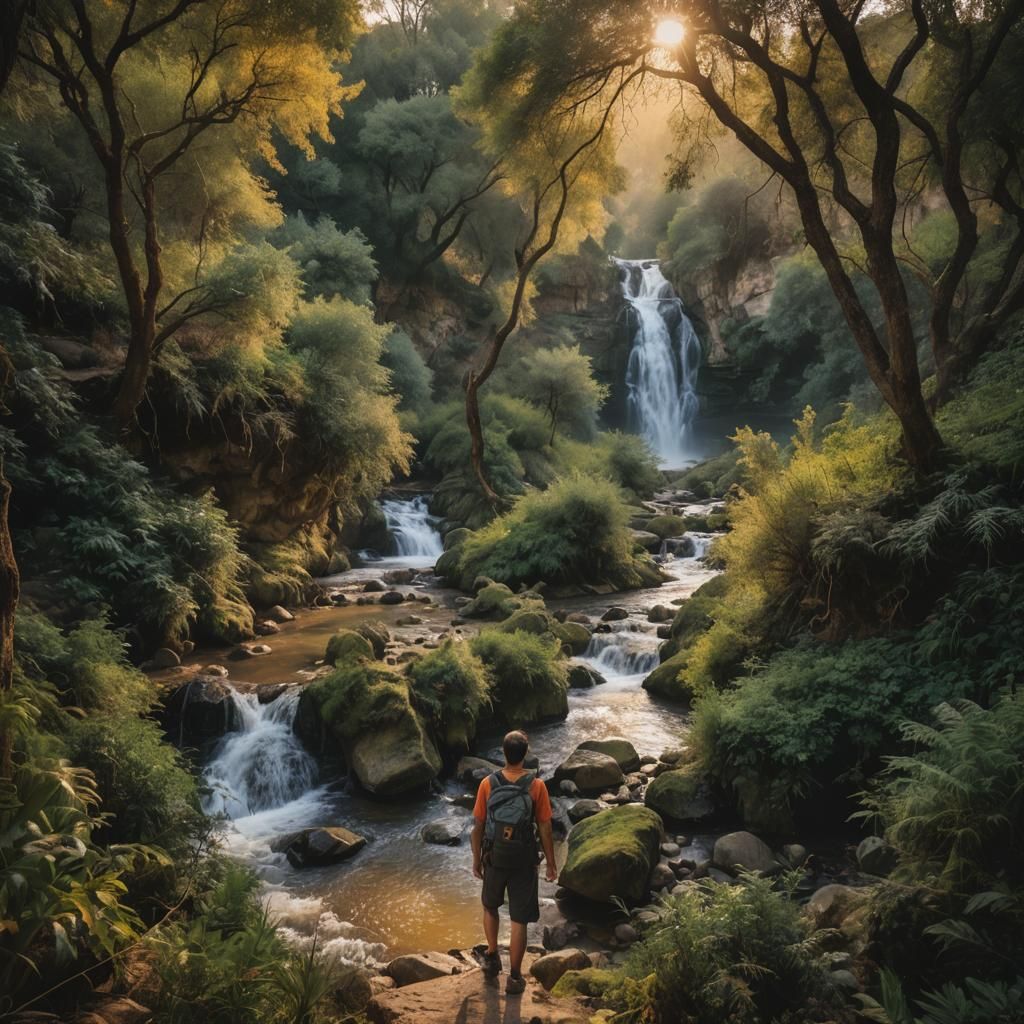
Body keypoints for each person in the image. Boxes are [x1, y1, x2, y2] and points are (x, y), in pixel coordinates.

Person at [471, 729, 557, 995]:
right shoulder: (536, 786)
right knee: (519, 919)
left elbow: (478, 826)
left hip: (494, 856)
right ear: (526, 753)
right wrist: (551, 864)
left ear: (504, 753)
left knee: (490, 906)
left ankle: (493, 955)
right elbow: (544, 828)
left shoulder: (487, 783)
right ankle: (516, 977)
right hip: (523, 860)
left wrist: (476, 860)